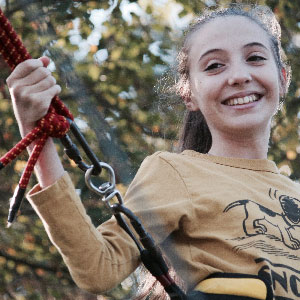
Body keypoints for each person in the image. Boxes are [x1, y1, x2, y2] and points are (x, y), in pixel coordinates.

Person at [6, 3, 300, 299]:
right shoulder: (177, 173)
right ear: (189, 95)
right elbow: (99, 267)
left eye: (255, 58)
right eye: (214, 66)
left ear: (282, 78)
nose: (239, 75)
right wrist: (36, 134)